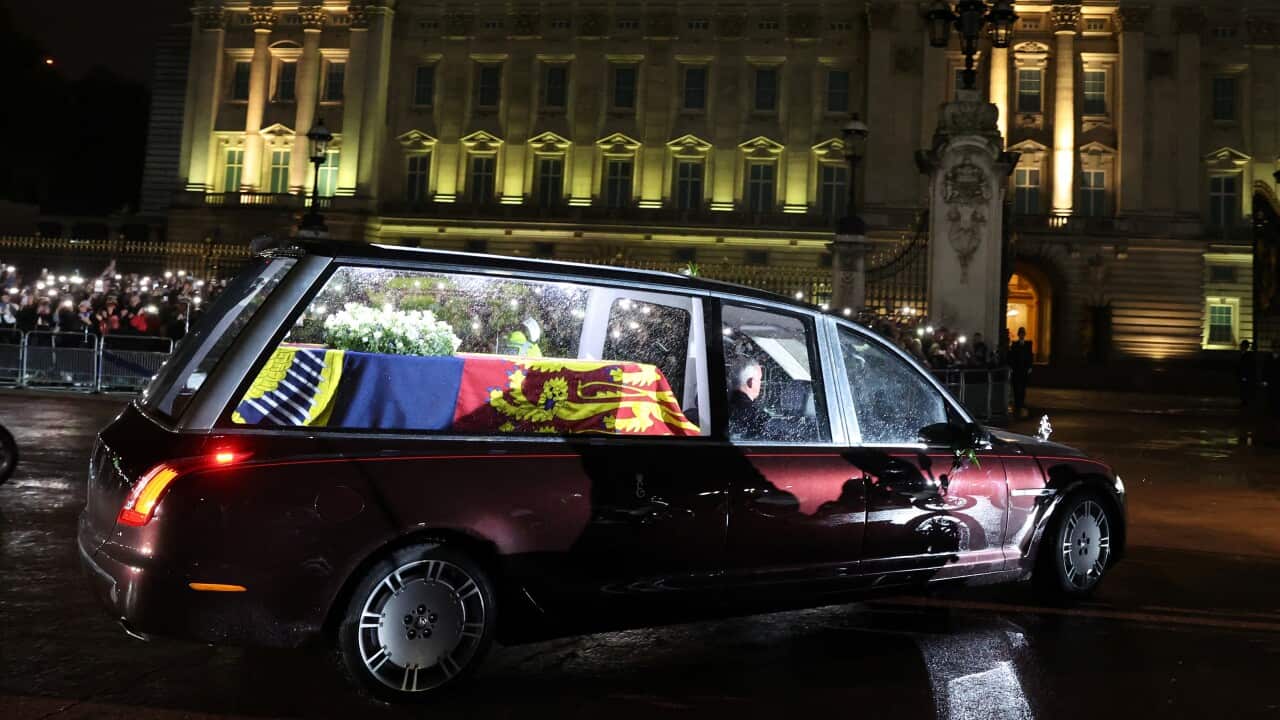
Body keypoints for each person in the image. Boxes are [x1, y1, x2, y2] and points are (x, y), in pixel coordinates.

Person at [728, 357, 769, 439]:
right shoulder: (757, 417)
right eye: (759, 380)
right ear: (751, 382)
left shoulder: (720, 406)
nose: (761, 384)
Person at [1008, 326, 1034, 418]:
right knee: (1016, 387)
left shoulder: (1028, 344)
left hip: (1023, 369)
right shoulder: (1014, 344)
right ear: (1019, 335)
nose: (1022, 335)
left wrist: (1030, 367)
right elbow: (1011, 357)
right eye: (1021, 334)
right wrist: (1011, 367)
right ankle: (1017, 402)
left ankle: (1021, 402)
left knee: (1022, 387)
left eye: (1023, 334)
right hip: (1016, 369)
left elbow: (1030, 356)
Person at [1238, 340, 1257, 408]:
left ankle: (1245, 402)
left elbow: (1246, 367)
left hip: (1245, 376)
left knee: (1245, 390)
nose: (1240, 347)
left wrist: (1244, 376)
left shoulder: (1247, 355)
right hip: (1244, 376)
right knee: (1244, 390)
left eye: (1242, 346)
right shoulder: (1245, 355)